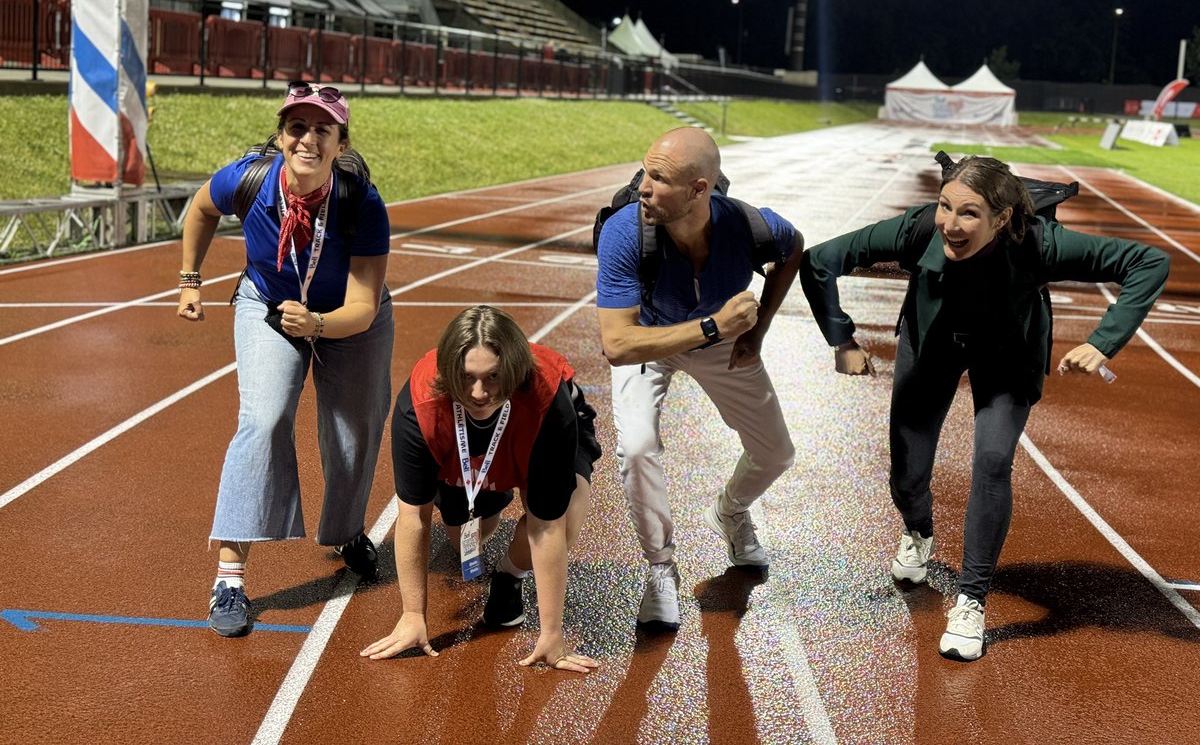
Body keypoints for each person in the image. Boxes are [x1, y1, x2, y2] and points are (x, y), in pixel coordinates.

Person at [799, 154, 1169, 661]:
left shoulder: (1042, 242)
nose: (950, 225)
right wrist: (841, 340)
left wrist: (1103, 342)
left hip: (1006, 352)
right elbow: (819, 260)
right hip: (932, 343)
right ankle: (918, 531)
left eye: (969, 213)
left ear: (1002, 219)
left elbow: (1149, 262)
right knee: (906, 473)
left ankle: (971, 600)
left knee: (993, 462)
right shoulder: (916, 229)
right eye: (945, 207)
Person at [177, 82, 394, 638]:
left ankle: (346, 532)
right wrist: (190, 279)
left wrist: (318, 324)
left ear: (341, 144)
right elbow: (200, 208)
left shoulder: (362, 202)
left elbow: (363, 307)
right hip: (268, 304)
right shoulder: (247, 180)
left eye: (323, 130)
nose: (308, 140)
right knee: (264, 418)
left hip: (347, 314)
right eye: (297, 127)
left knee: (356, 428)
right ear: (280, 136)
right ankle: (229, 578)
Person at [595, 126, 804, 630]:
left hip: (721, 341)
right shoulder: (624, 232)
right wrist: (714, 326)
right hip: (651, 338)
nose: (644, 187)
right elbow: (617, 345)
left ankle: (731, 510)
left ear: (699, 189)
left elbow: (794, 247)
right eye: (644, 173)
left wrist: (757, 332)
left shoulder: (751, 226)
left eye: (659, 178)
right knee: (637, 447)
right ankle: (660, 568)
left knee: (776, 453)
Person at [362, 305, 600, 674]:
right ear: (448, 371)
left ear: (514, 370)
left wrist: (552, 633)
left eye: (493, 377)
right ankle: (490, 496)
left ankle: (509, 576)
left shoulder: (547, 401)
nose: (478, 392)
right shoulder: (420, 406)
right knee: (465, 541)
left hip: (535, 424)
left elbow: (546, 526)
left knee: (562, 523)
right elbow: (413, 518)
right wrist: (412, 615)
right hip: (462, 441)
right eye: (466, 377)